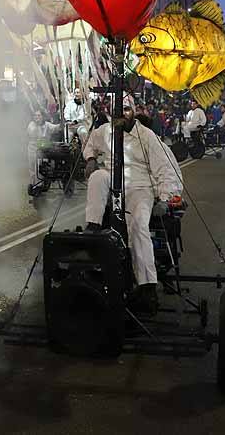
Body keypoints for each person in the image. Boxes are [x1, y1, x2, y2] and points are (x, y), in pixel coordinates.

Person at [82, 98, 181, 314]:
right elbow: (90, 143)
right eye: (117, 110)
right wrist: (90, 158)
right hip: (113, 183)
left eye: (126, 109)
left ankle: (147, 288)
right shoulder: (104, 131)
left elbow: (165, 168)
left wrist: (165, 198)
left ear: (134, 112)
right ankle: (93, 228)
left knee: (138, 225)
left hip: (139, 188)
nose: (122, 114)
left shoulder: (146, 136)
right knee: (98, 176)